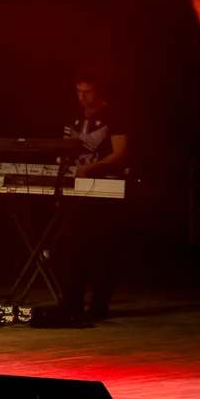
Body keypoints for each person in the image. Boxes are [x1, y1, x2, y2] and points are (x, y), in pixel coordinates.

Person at [58, 69, 129, 320]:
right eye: (78, 91)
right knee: (72, 245)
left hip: (104, 189)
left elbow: (120, 154)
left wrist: (90, 168)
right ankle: (72, 301)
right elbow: (65, 147)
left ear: (100, 91)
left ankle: (99, 304)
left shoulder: (114, 115)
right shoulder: (73, 116)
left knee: (103, 247)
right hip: (76, 188)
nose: (82, 97)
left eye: (87, 92)